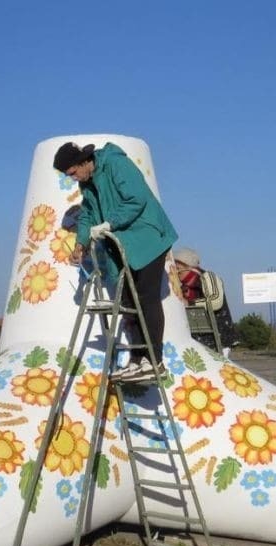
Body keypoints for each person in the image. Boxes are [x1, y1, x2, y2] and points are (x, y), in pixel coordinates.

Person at [54, 141, 178, 383]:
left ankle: (155, 362)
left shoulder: (115, 163)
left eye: (73, 173)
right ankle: (138, 360)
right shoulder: (87, 183)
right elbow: (88, 213)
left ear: (83, 162)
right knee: (130, 300)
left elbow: (136, 198)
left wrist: (109, 223)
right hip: (125, 245)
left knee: (146, 296)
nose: (73, 178)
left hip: (148, 237)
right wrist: (81, 243)